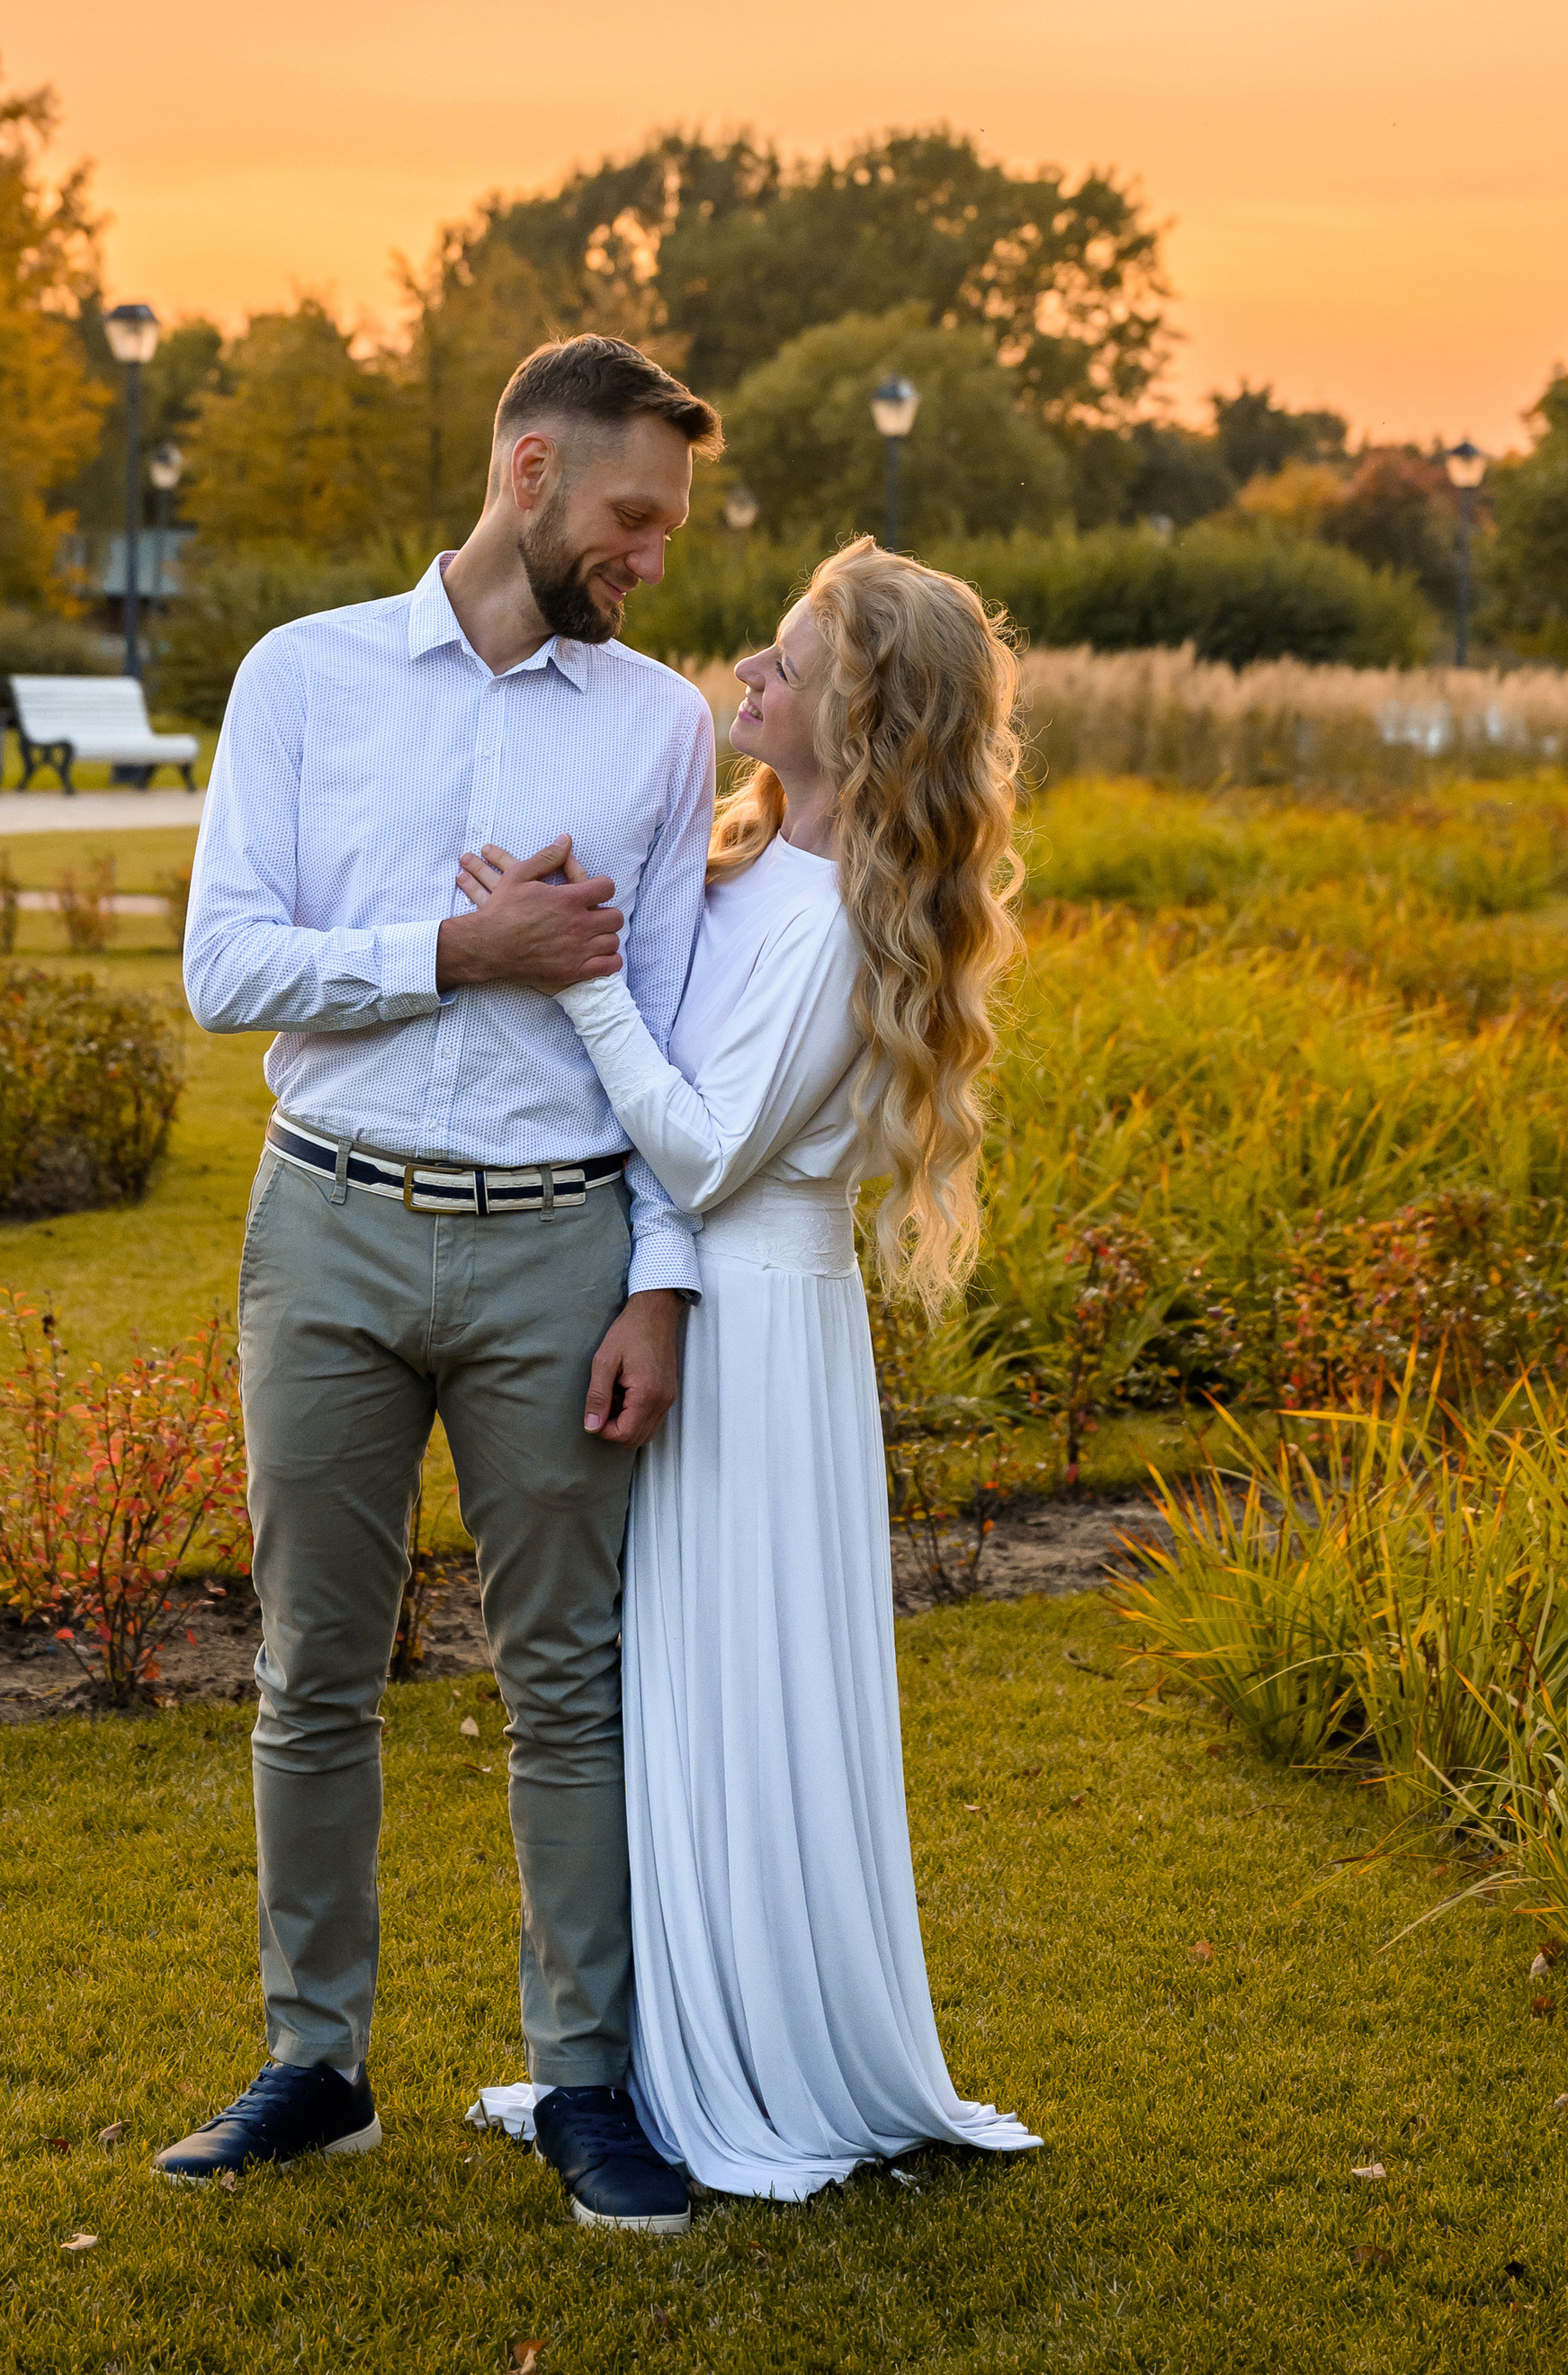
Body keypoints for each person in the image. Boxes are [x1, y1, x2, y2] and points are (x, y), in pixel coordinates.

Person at [161, 335, 722, 2236]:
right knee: (311, 1670)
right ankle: (313, 2065)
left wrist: (655, 1282)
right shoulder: (301, 675)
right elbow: (225, 965)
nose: (651, 554)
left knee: (566, 1681)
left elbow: (668, 1026)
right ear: (531, 466)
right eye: (632, 514)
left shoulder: (658, 725)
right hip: (323, 1224)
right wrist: (459, 944)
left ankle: (585, 2084)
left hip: (560, 1245)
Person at [466, 539, 1042, 2197]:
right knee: (681, 1694)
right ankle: (665, 2034)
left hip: (761, 1339)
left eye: (781, 666)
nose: (747, 678)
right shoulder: (758, 865)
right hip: (711, 1315)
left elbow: (710, 1153)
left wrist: (574, 985)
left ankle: (758, 2053)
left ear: (853, 713)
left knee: (739, 1689)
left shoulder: (842, 925)